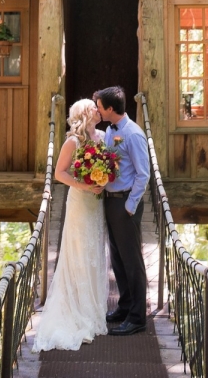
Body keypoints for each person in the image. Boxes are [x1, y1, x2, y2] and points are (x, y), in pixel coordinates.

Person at [32, 98, 108, 352]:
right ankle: (76, 310)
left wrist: (104, 178)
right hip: (79, 201)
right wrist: (85, 185)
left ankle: (94, 310)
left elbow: (108, 164)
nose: (98, 110)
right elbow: (59, 173)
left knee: (95, 250)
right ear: (84, 113)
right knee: (79, 252)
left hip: (96, 203)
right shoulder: (72, 141)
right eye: (93, 108)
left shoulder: (103, 136)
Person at [94, 85, 150, 336]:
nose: (97, 110)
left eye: (99, 106)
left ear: (110, 108)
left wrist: (130, 206)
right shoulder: (109, 131)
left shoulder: (134, 134)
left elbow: (143, 174)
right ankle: (125, 306)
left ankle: (138, 317)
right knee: (117, 258)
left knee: (132, 261)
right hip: (110, 200)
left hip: (125, 203)